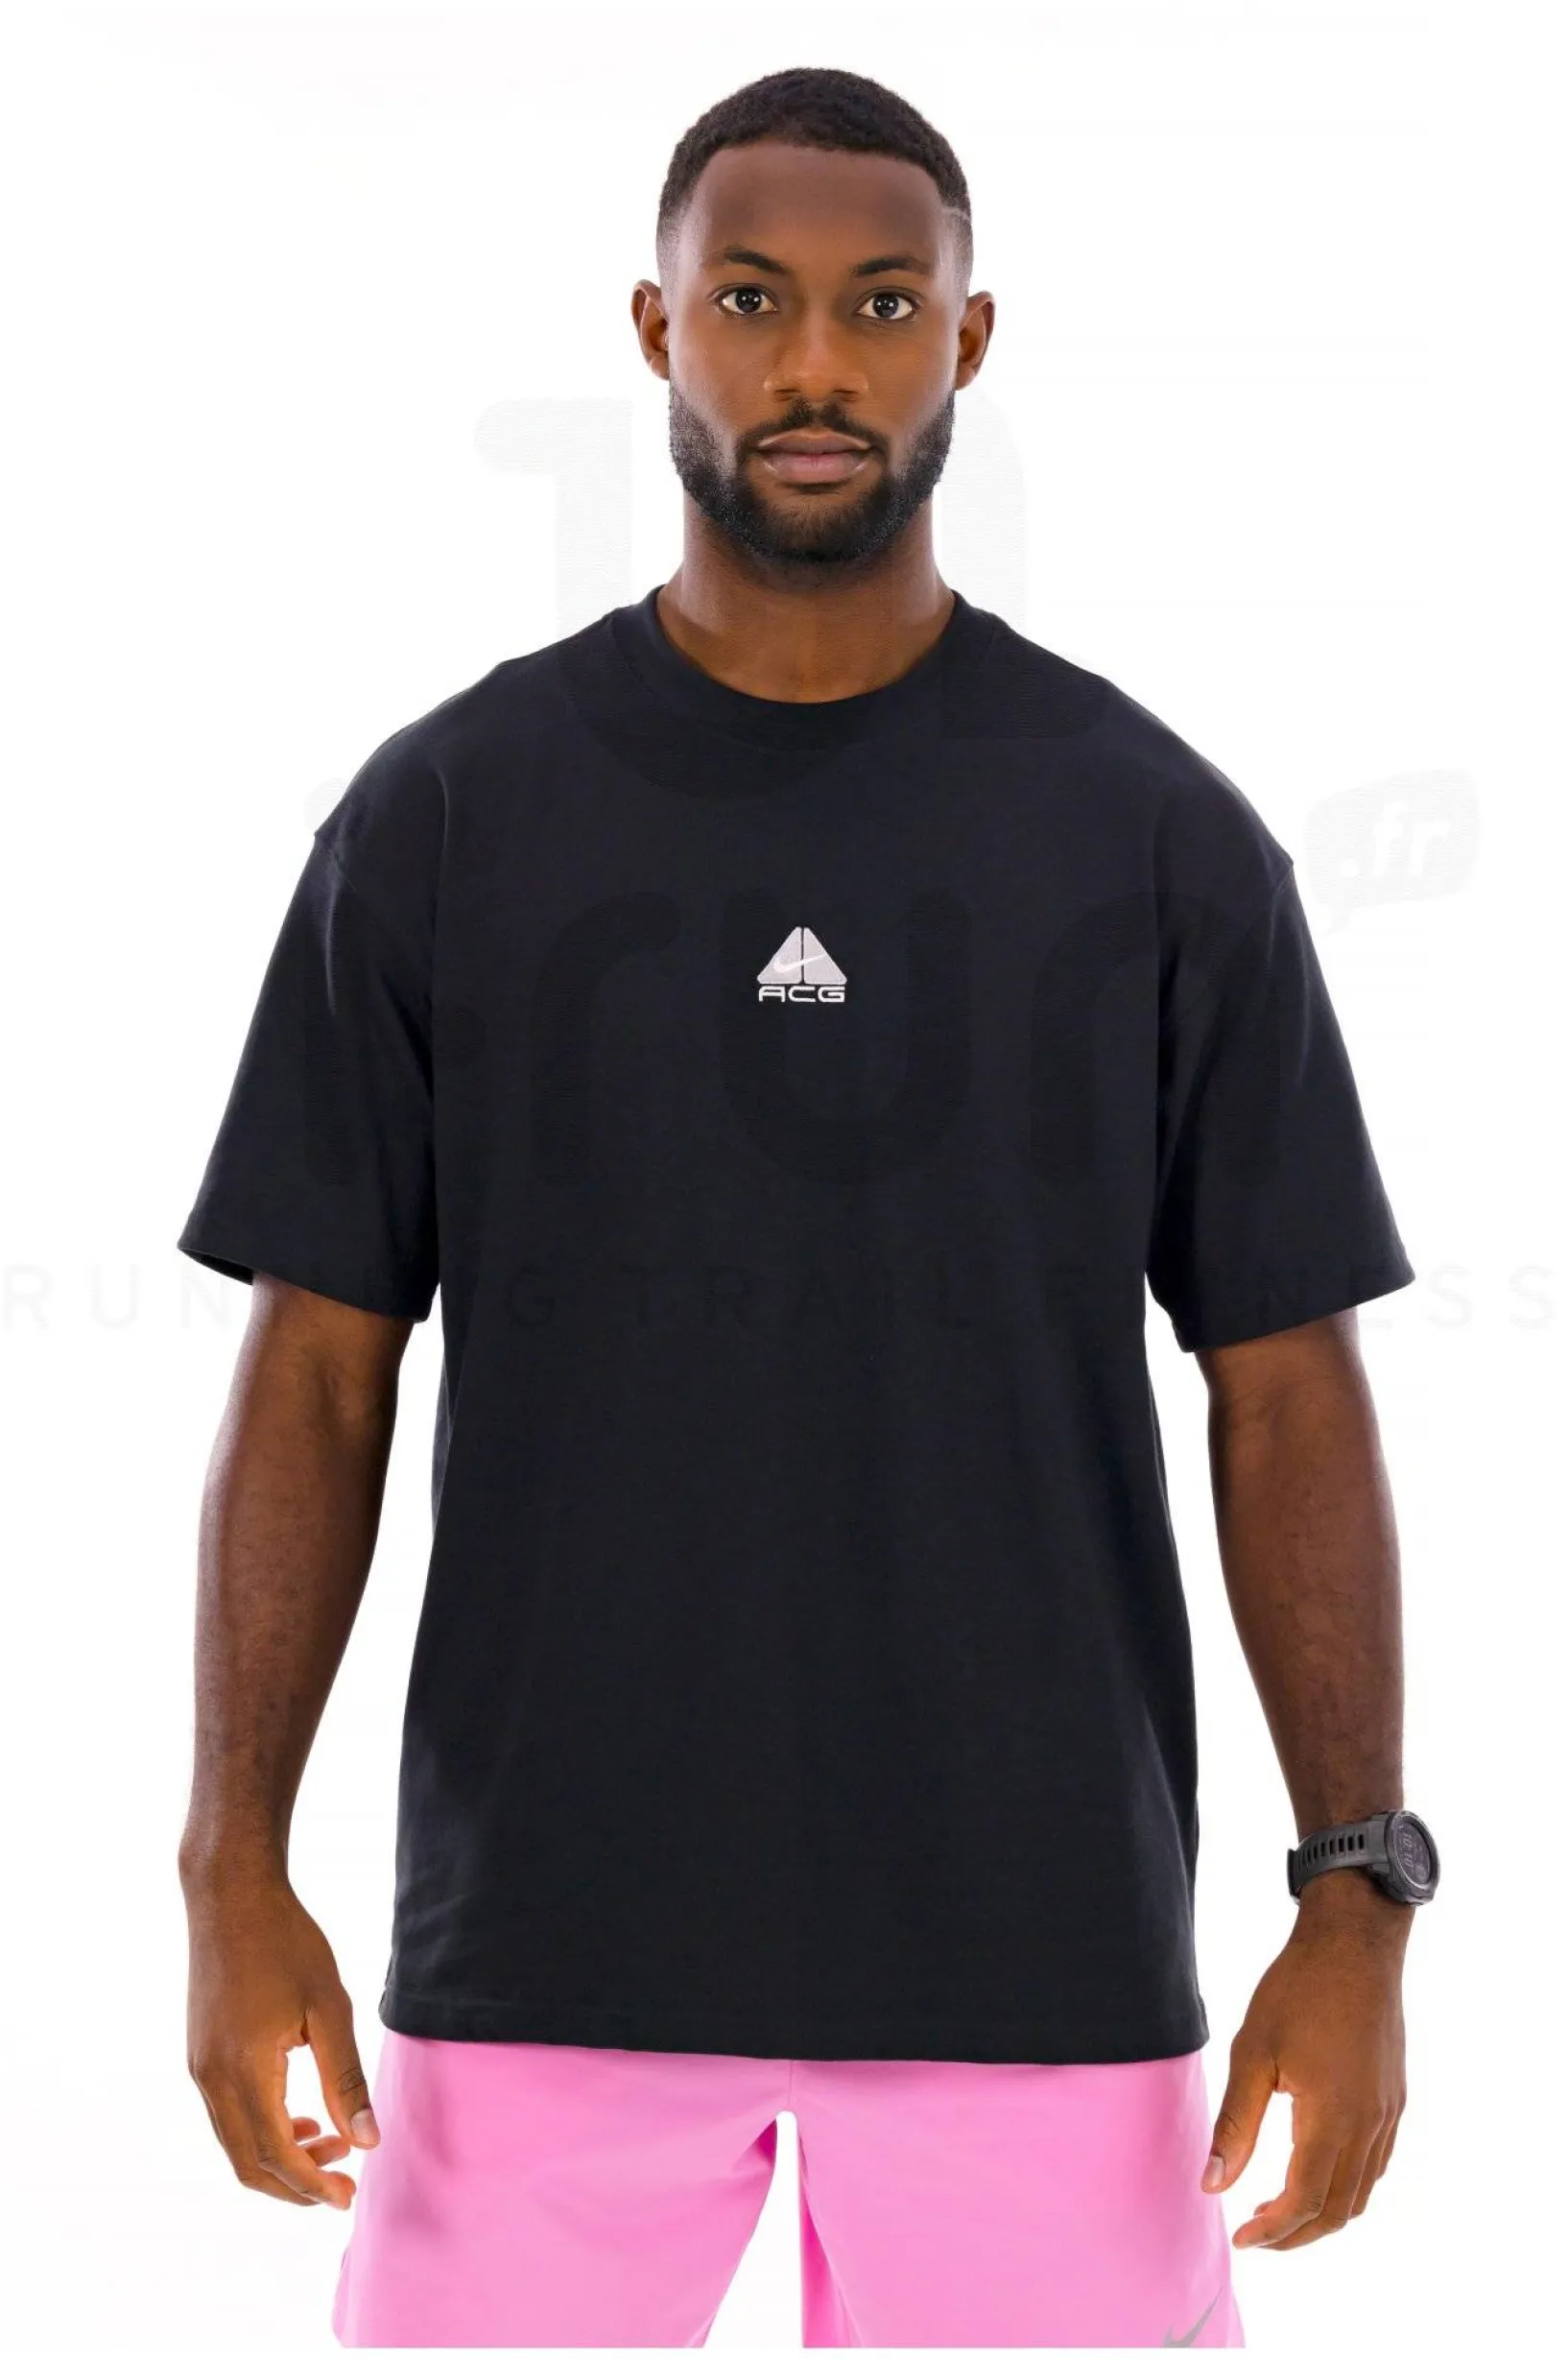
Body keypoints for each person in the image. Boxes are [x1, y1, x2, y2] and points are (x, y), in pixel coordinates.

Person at [176, 64, 1433, 2350]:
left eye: (882, 302)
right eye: (751, 299)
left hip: (1036, 1960)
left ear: (969, 338)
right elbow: (321, 1366)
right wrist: (227, 1860)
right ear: (657, 328)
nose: (817, 361)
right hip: (544, 1946)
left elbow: (1283, 1385)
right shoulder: (449, 815)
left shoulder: (1150, 834)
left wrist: (1356, 1890)